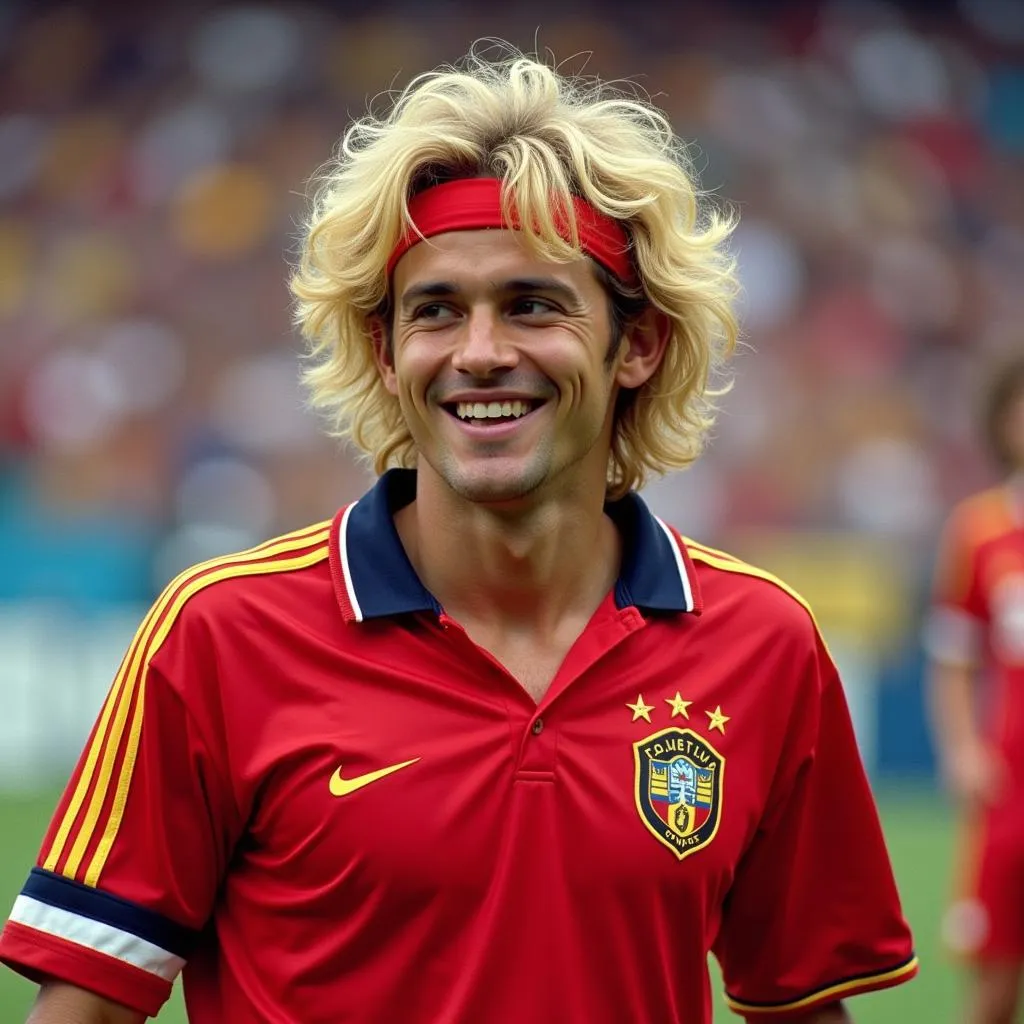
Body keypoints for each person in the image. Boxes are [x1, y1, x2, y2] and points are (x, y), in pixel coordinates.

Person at [0, 47, 917, 1024]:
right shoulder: (218, 634)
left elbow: (803, 1007)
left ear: (637, 345)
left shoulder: (763, 643)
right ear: (387, 352)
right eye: (436, 311)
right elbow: (83, 1008)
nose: (481, 353)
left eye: (532, 304)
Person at [925, 354, 1024, 1024]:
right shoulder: (979, 530)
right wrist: (962, 750)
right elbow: (952, 659)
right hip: (1011, 790)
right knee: (992, 988)